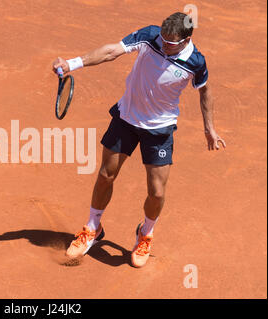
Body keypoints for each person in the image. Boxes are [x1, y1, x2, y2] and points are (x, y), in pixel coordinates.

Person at [52, 12, 226, 268]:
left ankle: (145, 233)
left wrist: (209, 128)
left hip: (159, 130)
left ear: (187, 39)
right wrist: (72, 64)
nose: (164, 44)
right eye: (163, 38)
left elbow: (205, 92)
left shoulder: (196, 62)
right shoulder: (150, 37)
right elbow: (112, 51)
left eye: (171, 42)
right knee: (105, 175)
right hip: (126, 118)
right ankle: (92, 228)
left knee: (156, 192)